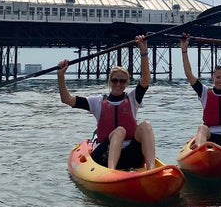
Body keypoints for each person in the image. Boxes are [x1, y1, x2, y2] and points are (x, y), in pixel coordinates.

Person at [57, 35, 156, 170]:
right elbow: (67, 100)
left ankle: (151, 169)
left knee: (146, 125)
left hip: (130, 155)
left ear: (127, 83)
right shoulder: (97, 101)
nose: (118, 84)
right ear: (110, 82)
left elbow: (145, 79)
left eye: (122, 81)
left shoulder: (133, 99)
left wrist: (143, 52)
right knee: (119, 131)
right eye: (115, 80)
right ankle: (112, 171)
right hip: (104, 155)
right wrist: (61, 76)